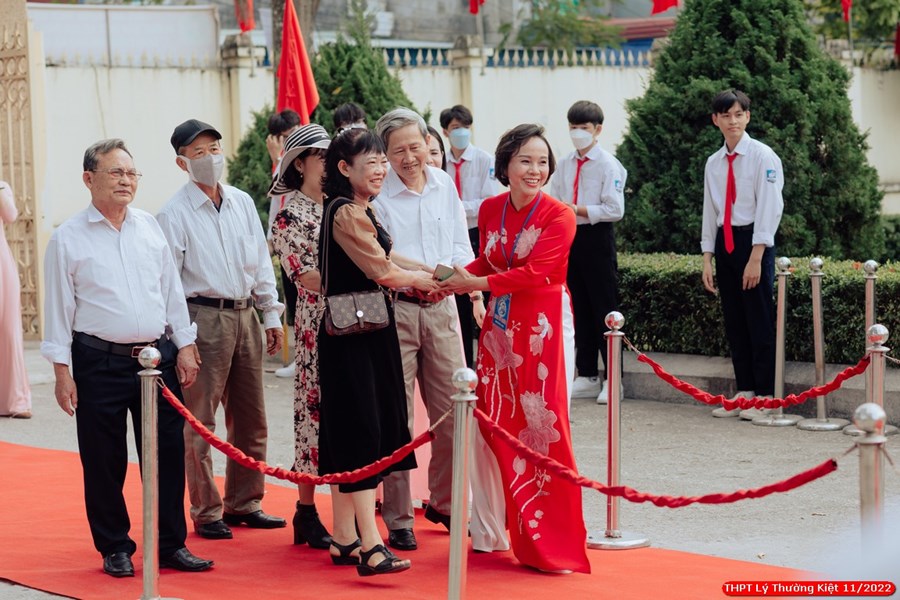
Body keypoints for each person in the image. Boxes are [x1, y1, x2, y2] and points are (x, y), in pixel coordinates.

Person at [40, 138, 213, 576]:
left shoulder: (149, 227)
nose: (126, 181)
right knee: (104, 459)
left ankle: (171, 543)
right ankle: (114, 545)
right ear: (89, 178)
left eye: (132, 173)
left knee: (167, 453)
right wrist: (62, 372)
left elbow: (171, 292)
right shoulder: (68, 238)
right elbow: (59, 310)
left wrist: (185, 344)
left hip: (158, 359)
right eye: (116, 172)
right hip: (99, 361)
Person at [438, 124, 589, 573]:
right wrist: (447, 278)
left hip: (543, 325)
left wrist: (472, 283)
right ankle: (488, 530)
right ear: (505, 164)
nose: (535, 170)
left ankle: (548, 540)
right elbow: (488, 259)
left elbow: (536, 272)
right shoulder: (490, 208)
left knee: (542, 424)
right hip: (500, 325)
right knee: (488, 421)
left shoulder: (559, 215)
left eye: (542, 162)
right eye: (525, 160)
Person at [157, 119, 287, 540]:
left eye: (214, 148)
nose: (210, 158)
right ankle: (206, 509)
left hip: (245, 313)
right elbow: (169, 284)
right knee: (200, 420)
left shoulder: (242, 202)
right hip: (203, 316)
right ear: (182, 162)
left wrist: (270, 313)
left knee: (251, 416)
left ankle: (245, 501)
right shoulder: (172, 214)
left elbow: (260, 261)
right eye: (198, 153)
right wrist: (183, 340)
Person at [317, 127, 438, 576]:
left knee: (353, 432)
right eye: (372, 163)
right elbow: (382, 270)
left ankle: (344, 537)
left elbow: (388, 257)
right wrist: (427, 281)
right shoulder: (347, 212)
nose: (382, 170)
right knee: (362, 435)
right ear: (344, 168)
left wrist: (427, 269)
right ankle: (370, 545)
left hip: (363, 332)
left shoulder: (357, 208)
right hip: (356, 337)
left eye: (382, 161)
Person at [373, 108, 475, 550]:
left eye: (416, 147)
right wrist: (424, 277)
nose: (410, 157)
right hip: (397, 310)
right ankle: (398, 518)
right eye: (399, 151)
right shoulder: (377, 195)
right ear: (384, 154)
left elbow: (460, 244)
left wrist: (460, 281)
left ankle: (446, 503)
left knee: (453, 411)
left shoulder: (443, 184)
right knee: (397, 418)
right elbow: (383, 256)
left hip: (443, 308)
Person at [269, 124, 333, 549]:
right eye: (320, 156)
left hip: (359, 323)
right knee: (313, 417)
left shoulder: (345, 206)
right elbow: (305, 277)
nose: (328, 163)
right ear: (299, 164)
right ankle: (306, 511)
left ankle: (353, 509)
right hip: (316, 329)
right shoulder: (289, 216)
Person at [701, 89, 783, 418]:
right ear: (715, 120)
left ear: (747, 117)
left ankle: (765, 396)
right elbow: (710, 211)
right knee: (735, 321)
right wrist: (708, 257)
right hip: (726, 242)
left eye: (738, 114)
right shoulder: (714, 163)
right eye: (726, 115)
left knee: (759, 321)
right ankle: (746, 391)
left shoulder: (763, 156)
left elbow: (770, 207)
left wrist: (756, 257)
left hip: (754, 242)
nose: (732, 121)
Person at [550, 100, 626, 405]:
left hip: (597, 236)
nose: (577, 132)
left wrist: (578, 209)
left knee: (604, 307)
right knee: (577, 304)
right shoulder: (565, 163)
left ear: (598, 130)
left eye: (584, 127)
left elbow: (615, 209)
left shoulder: (608, 164)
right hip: (570, 237)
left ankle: (614, 378)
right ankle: (587, 374)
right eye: (573, 127)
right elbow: (555, 199)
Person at [440, 104, 496, 368]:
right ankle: (462, 364)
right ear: (445, 131)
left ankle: (484, 362)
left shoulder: (484, 160)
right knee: (458, 302)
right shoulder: (441, 162)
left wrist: (456, 207)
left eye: (465, 127)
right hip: (449, 233)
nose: (461, 132)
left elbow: (488, 200)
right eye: (455, 128)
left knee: (481, 299)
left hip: (475, 232)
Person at [265, 109, 302, 380]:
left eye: (293, 134)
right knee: (295, 304)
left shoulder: (300, 162)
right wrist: (270, 241)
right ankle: (301, 357)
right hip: (285, 243)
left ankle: (308, 357)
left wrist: (278, 158)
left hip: (304, 243)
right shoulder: (282, 162)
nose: (291, 140)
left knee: (307, 303)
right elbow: (275, 206)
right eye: (285, 137)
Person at [0, 181, 32, 419]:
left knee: (8, 331)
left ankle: (16, 400)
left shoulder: (2, 187)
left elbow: (10, 215)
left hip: (2, 267)